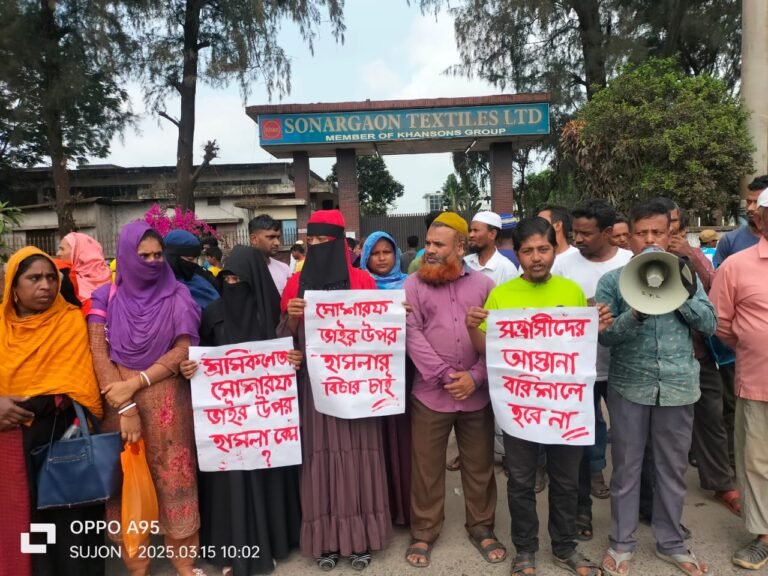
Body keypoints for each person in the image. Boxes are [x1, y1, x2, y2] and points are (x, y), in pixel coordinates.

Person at [466, 216, 610, 576]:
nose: (536, 257)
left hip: (563, 407)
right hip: (520, 407)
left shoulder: (572, 292)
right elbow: (488, 350)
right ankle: (525, 550)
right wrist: (472, 330)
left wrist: (597, 326)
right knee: (521, 481)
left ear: (554, 249)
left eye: (543, 249)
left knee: (565, 480)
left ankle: (564, 547)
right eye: (527, 251)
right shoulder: (501, 294)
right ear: (517, 254)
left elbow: (578, 348)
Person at [596, 200, 716, 576]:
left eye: (657, 232)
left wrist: (679, 296)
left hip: (678, 385)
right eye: (642, 233)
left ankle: (671, 542)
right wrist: (635, 314)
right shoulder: (613, 282)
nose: (650, 239)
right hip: (630, 386)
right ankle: (621, 542)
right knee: (627, 469)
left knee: (672, 468)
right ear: (629, 237)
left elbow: (710, 324)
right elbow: (607, 339)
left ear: (669, 235)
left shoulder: (686, 276)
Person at [87, 221, 204, 576]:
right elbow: (98, 353)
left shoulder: (178, 294)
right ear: (125, 256)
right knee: (127, 482)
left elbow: (184, 347)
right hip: (119, 407)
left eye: (157, 255)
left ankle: (184, 562)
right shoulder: (104, 298)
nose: (152, 262)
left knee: (176, 478)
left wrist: (139, 380)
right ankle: (137, 564)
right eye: (143, 256)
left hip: (169, 403)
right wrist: (125, 405)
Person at [180, 245, 303, 575]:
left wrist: (294, 359)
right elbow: (199, 355)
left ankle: (275, 540)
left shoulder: (274, 319)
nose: (233, 283)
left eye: (241, 278)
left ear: (256, 280)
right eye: (228, 277)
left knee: (268, 477)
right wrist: (190, 368)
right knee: (228, 482)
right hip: (226, 424)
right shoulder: (211, 314)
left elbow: (291, 355)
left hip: (265, 424)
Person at [279, 210, 391, 570]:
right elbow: (284, 344)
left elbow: (379, 334)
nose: (317, 247)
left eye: (324, 241)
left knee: (360, 459)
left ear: (340, 243)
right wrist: (293, 317)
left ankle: (361, 539)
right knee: (320, 461)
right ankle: (326, 540)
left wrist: (395, 316)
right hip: (316, 392)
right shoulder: (294, 286)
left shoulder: (362, 281)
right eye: (311, 242)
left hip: (358, 389)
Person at [404, 212, 506, 568]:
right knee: (426, 467)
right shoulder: (413, 285)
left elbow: (496, 338)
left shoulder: (484, 286)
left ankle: (481, 526)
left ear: (460, 247)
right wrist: (447, 375)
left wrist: (475, 378)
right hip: (430, 394)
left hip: (476, 394)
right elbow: (411, 335)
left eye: (438, 245)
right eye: (428, 243)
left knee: (479, 466)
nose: (429, 251)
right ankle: (425, 531)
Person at [0, 246, 106, 576]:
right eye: (34, 278)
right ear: (13, 288)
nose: (45, 285)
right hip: (11, 445)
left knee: (69, 523)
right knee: (28, 524)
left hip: (63, 441)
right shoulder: (2, 330)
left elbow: (79, 382)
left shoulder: (71, 323)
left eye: (50, 278)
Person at [551, 199, 632, 541]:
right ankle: (581, 510)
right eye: (575, 232)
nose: (579, 239)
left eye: (586, 233)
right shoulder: (562, 264)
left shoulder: (631, 263)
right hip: (578, 370)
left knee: (629, 443)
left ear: (608, 233)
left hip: (623, 369)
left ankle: (636, 508)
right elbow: (550, 310)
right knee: (580, 445)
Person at [709, 188, 768, 570]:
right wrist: (755, 342)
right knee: (757, 461)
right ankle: (764, 535)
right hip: (758, 380)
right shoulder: (736, 265)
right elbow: (722, 325)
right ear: (761, 218)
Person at [669, 209, 740, 517]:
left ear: (683, 231)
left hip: (698, 353)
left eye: (672, 227)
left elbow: (717, 289)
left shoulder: (696, 255)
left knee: (712, 418)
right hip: (655, 358)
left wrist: (691, 257)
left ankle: (722, 482)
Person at [361, 231, 412, 526]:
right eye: (375, 253)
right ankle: (378, 508)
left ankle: (404, 509)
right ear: (366, 256)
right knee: (375, 442)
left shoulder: (410, 285)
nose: (381, 258)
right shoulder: (357, 287)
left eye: (387, 252)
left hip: (402, 372)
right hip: (367, 378)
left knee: (402, 441)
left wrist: (408, 314)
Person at [713, 175, 766, 268]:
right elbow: (717, 279)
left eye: (757, 202)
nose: (750, 208)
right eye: (748, 202)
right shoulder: (730, 241)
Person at [55, 232, 112, 314]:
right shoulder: (109, 277)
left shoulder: (67, 280)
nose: (58, 254)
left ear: (79, 252)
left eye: (62, 249)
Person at [165, 229, 220, 310]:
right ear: (172, 258)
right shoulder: (158, 286)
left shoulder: (202, 282)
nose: (194, 263)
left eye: (196, 259)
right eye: (190, 259)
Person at [465, 211, 520, 285]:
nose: (471, 235)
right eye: (470, 231)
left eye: (476, 230)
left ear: (492, 234)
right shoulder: (465, 262)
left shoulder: (507, 269)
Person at [249, 215, 290, 295]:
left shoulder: (284, 268)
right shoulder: (243, 271)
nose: (277, 243)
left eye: (278, 237)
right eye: (271, 237)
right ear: (254, 239)